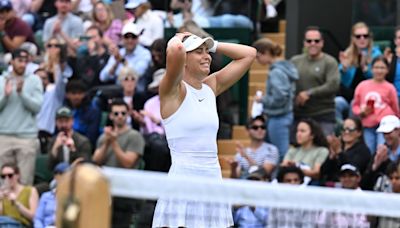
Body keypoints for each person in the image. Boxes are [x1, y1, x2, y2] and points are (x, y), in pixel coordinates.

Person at [152, 33, 256, 227]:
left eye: (207, 52)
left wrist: (213, 44)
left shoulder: (210, 87)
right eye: (198, 52)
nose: (206, 56)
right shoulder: (173, 90)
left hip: (212, 180)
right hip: (183, 182)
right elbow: (175, 49)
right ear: (184, 60)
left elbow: (249, 54)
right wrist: (179, 37)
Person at [92, 98, 145, 228]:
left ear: (127, 115)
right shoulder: (104, 137)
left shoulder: (135, 136)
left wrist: (114, 143)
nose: (120, 116)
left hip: (125, 189)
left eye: (123, 113)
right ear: (110, 116)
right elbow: (96, 161)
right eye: (116, 113)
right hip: (105, 188)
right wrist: (107, 142)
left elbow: (128, 163)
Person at [0, 49, 43, 185]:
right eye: (19, 61)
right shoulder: (2, 80)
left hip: (27, 137)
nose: (23, 65)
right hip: (4, 135)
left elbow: (37, 107)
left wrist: (22, 94)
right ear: (12, 62)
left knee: (25, 181)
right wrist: (5, 97)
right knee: (3, 182)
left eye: (25, 61)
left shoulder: (35, 80)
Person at [252, 37, 298, 159]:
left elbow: (281, 96)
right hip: (280, 116)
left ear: (266, 53)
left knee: (281, 153)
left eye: (258, 56)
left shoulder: (276, 72)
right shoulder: (281, 69)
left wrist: (262, 100)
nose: (257, 60)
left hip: (279, 117)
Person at [291, 26, 340, 136]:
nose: (313, 43)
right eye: (309, 41)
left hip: (323, 114)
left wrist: (309, 93)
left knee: (324, 149)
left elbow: (333, 85)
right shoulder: (295, 61)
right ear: (304, 43)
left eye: (316, 41)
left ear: (322, 43)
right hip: (300, 115)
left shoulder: (330, 62)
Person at [352, 56, 399, 153]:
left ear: (387, 70)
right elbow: (355, 105)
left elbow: (395, 108)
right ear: (372, 69)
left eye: (382, 68)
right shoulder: (362, 86)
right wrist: (361, 112)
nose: (379, 71)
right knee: (369, 151)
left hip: (384, 127)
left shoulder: (390, 88)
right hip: (368, 125)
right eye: (376, 67)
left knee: (382, 149)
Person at [336, 22, 382, 121]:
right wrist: (343, 68)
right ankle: (341, 131)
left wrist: (365, 69)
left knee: (354, 103)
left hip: (368, 97)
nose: (362, 39)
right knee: (337, 102)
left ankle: (352, 131)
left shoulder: (376, 54)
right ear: (353, 38)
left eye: (365, 36)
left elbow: (378, 79)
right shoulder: (347, 54)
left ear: (369, 38)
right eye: (358, 36)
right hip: (348, 95)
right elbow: (342, 82)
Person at [321, 117, 371, 184]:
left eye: (351, 129)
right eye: (344, 129)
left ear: (359, 132)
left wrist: (339, 152)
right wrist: (331, 156)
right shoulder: (338, 146)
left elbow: (351, 170)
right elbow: (323, 172)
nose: (346, 132)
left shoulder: (363, 151)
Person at [362, 115, 400, 190]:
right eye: (384, 133)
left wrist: (386, 162)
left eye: (389, 132)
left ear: (398, 131)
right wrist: (375, 166)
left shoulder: (382, 153)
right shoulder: (379, 153)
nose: (386, 136)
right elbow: (364, 184)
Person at [0, 163, 39, 227]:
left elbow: (34, 217)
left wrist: (17, 203)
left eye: (10, 175)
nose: (7, 179)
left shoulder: (30, 190)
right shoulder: (2, 192)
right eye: (3, 176)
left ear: (17, 175)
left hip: (21, 224)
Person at [33, 162, 69, 228]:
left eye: (66, 174)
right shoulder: (46, 196)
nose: (63, 177)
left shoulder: (72, 198)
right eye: (60, 174)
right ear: (56, 177)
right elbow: (38, 218)